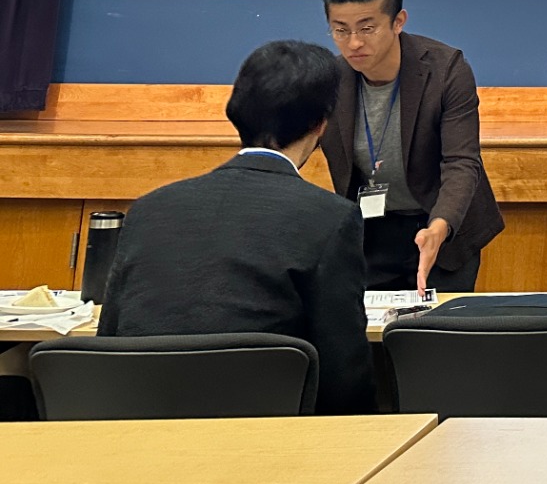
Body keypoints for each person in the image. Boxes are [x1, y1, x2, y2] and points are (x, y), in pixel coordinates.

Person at [98, 40, 375, 414]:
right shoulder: (330, 218)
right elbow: (343, 371)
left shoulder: (148, 209)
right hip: (266, 430)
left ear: (237, 112)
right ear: (320, 124)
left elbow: (108, 340)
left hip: (138, 424)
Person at [319, 0, 503, 293]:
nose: (354, 43)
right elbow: (294, 145)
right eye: (341, 30)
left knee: (439, 323)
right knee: (368, 323)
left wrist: (439, 228)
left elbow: (461, 162)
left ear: (398, 22)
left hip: (441, 226)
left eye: (367, 28)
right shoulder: (329, 81)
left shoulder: (445, 69)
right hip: (372, 231)